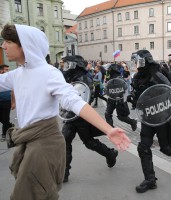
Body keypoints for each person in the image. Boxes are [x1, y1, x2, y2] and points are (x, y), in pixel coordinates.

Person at [0, 24, 130, 199]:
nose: (3, 46)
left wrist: (108, 129)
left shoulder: (48, 73)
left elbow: (75, 101)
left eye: (8, 41)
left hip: (43, 145)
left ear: (24, 45)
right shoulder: (17, 74)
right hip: (27, 141)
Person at [131, 50, 171, 193]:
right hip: (147, 117)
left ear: (144, 62)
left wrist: (168, 113)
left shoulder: (157, 75)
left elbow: (170, 93)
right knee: (143, 147)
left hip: (161, 117)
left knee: (167, 148)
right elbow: (139, 98)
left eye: (137, 62)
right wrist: (133, 99)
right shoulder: (137, 77)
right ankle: (150, 180)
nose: (135, 65)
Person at [61, 55, 119, 183]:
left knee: (89, 142)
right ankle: (64, 172)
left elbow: (89, 96)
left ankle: (110, 154)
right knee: (65, 141)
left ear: (74, 64)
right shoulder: (69, 77)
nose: (65, 67)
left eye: (67, 64)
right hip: (70, 115)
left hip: (82, 116)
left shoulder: (84, 77)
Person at [104, 63, 137, 131]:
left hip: (120, 100)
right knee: (107, 114)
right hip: (111, 99)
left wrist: (124, 99)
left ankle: (132, 122)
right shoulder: (111, 78)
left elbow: (125, 90)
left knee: (121, 117)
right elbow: (107, 88)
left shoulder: (120, 79)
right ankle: (111, 129)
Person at [0, 65, 15, 141]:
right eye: (6, 69)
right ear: (1, 70)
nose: (8, 71)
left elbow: (13, 91)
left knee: (5, 118)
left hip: (7, 101)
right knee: (2, 118)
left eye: (8, 69)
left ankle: (4, 134)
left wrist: (13, 102)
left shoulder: (9, 79)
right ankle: (9, 125)